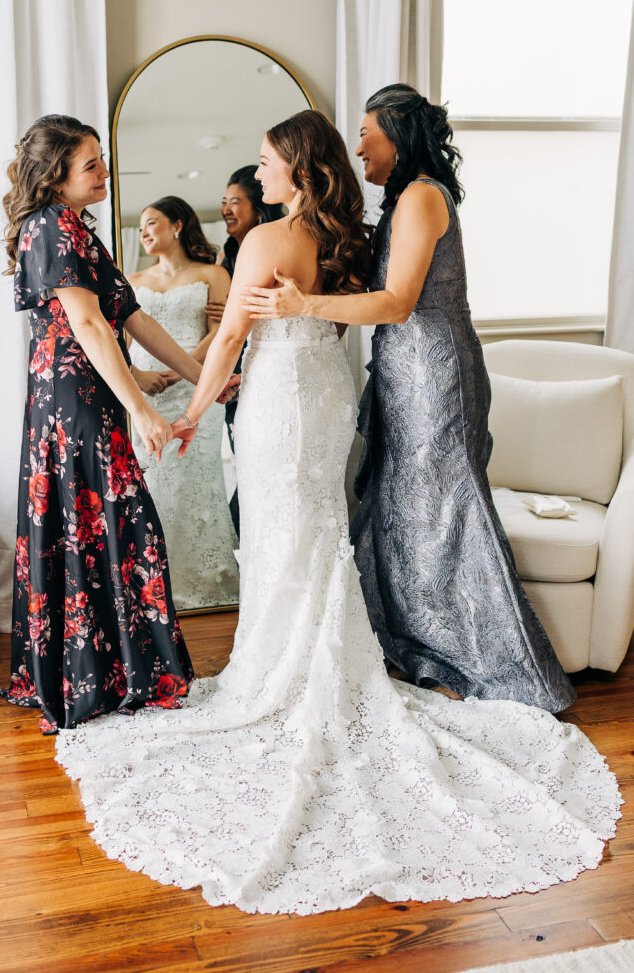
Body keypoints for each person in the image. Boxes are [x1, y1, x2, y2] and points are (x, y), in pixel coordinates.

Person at [56, 110, 619, 916]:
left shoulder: (264, 243)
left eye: (263, 162)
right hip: (327, 399)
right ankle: (326, 666)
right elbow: (367, 311)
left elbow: (227, 347)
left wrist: (192, 410)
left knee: (285, 540)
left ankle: (277, 678)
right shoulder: (352, 234)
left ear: (294, 167)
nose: (254, 178)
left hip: (282, 400)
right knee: (317, 533)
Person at [243, 85, 576, 714]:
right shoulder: (403, 200)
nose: (359, 145)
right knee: (402, 506)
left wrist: (302, 305)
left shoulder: (423, 197)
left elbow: (397, 305)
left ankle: (486, 660)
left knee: (443, 509)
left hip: (434, 375)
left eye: (368, 132)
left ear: (398, 136)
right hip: (402, 370)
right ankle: (419, 645)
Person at [0, 114, 236, 734]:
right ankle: (106, 674)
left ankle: (118, 669)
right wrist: (143, 409)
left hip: (89, 391)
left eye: (102, 161)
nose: (104, 173)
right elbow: (90, 326)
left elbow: (133, 318)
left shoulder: (78, 229)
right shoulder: (48, 227)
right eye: (91, 165)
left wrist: (206, 376)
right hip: (72, 397)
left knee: (106, 521)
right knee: (103, 518)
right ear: (56, 175)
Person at [126, 197, 239, 610]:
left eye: (152, 223)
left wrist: (185, 369)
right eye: (140, 227)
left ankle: (207, 584)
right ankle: (152, 587)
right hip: (146, 396)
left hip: (197, 390)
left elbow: (224, 330)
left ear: (177, 225)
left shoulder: (213, 274)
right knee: (151, 484)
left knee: (198, 482)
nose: (144, 232)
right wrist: (138, 378)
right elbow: (119, 342)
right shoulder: (133, 279)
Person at [217, 166, 284, 534]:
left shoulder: (272, 246)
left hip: (269, 368)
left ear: (257, 207)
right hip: (236, 377)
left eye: (235, 202)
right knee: (246, 464)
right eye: (223, 203)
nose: (226, 209)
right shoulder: (226, 259)